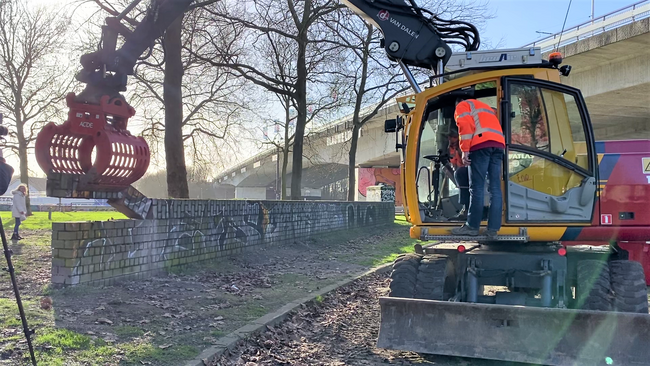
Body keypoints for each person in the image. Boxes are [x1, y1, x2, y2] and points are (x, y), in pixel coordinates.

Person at [450, 98, 505, 239]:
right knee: (495, 189)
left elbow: (465, 125)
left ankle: (472, 226)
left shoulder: (462, 105)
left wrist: (465, 150)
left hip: (481, 145)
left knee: (477, 188)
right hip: (498, 144)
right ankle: (492, 229)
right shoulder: (484, 107)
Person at [447, 134, 469, 220]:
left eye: (453, 136)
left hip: (472, 168)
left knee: (460, 174)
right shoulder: (452, 149)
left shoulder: (464, 143)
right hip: (464, 169)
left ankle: (466, 209)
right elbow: (454, 163)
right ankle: (466, 208)